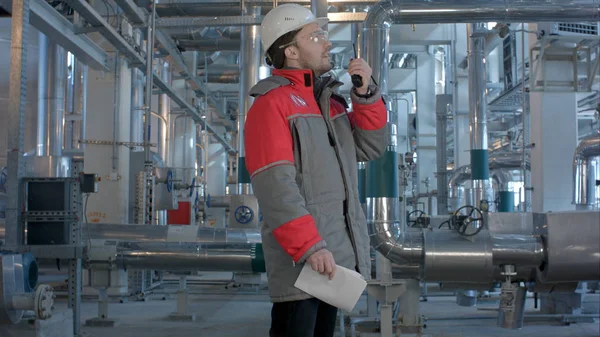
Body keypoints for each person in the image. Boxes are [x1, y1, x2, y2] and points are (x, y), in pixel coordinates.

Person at [244, 4, 387, 337]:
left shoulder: (330, 103)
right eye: (316, 36)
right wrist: (309, 246)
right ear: (291, 51)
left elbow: (371, 147)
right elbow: (275, 186)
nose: (327, 43)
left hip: (334, 257)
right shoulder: (272, 103)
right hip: (305, 259)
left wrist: (365, 95)